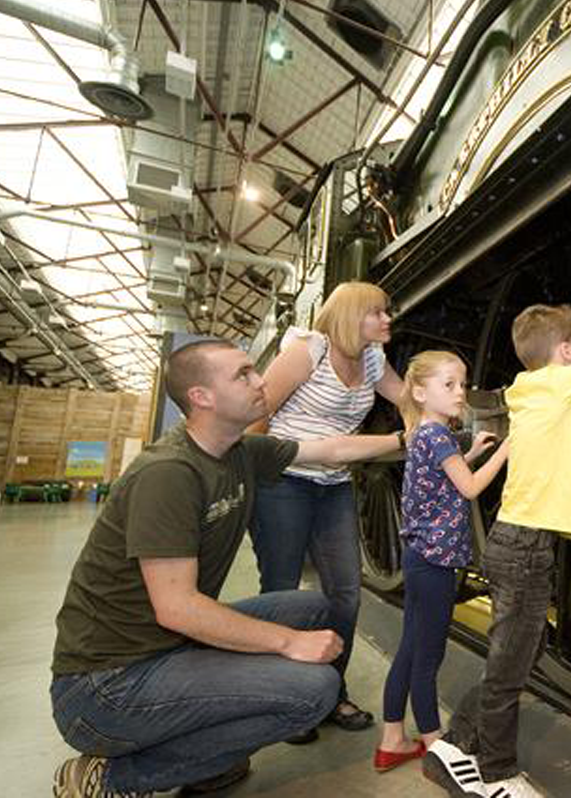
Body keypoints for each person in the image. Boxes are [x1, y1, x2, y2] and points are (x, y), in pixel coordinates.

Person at [50, 339, 403, 797]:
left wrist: (409, 439)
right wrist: (287, 642)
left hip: (168, 650)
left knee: (317, 607)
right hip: (106, 685)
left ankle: (197, 762)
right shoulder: (169, 473)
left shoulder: (239, 452)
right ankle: (113, 777)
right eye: (243, 374)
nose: (261, 381)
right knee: (314, 690)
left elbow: (331, 451)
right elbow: (177, 609)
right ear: (202, 397)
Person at [423, 306, 571, 798]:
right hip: (525, 546)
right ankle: (496, 775)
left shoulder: (527, 389)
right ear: (568, 351)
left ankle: (453, 746)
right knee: (510, 670)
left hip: (519, 543)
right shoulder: (557, 383)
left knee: (515, 659)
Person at [248, 281, 405, 736]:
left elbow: (407, 398)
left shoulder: (374, 359)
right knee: (280, 590)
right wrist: (254, 475)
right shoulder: (308, 350)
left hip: (333, 484)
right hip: (284, 481)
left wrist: (446, 406)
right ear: (352, 315)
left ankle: (329, 693)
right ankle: (286, 700)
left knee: (345, 592)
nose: (387, 319)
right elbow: (260, 414)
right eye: (378, 312)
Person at [376, 350, 510, 773]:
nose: (460, 393)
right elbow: (468, 490)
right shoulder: (439, 437)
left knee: (409, 649)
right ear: (419, 391)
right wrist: (507, 449)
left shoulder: (422, 433)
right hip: (435, 564)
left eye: (462, 383)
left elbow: (445, 478)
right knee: (428, 658)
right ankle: (436, 745)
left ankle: (392, 739)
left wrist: (471, 453)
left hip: (420, 557)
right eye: (448, 385)